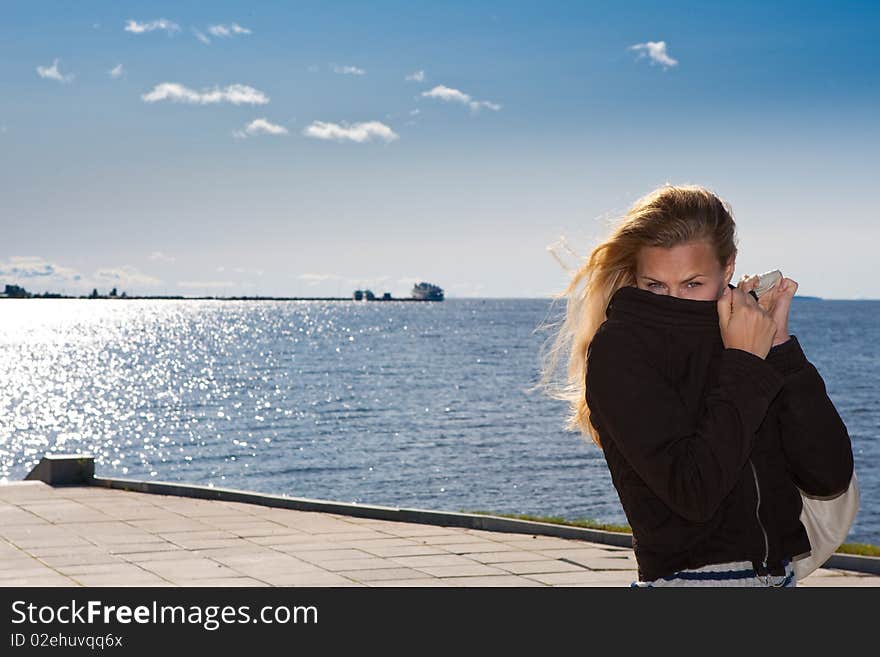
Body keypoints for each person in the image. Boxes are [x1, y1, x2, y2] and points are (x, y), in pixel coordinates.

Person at [536, 184, 854, 586]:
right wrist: (745, 364)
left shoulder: (744, 339)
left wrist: (780, 348)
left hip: (777, 578)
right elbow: (694, 493)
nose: (673, 301)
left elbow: (828, 476)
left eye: (692, 284)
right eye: (655, 285)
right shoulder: (621, 349)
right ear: (635, 277)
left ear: (729, 268)